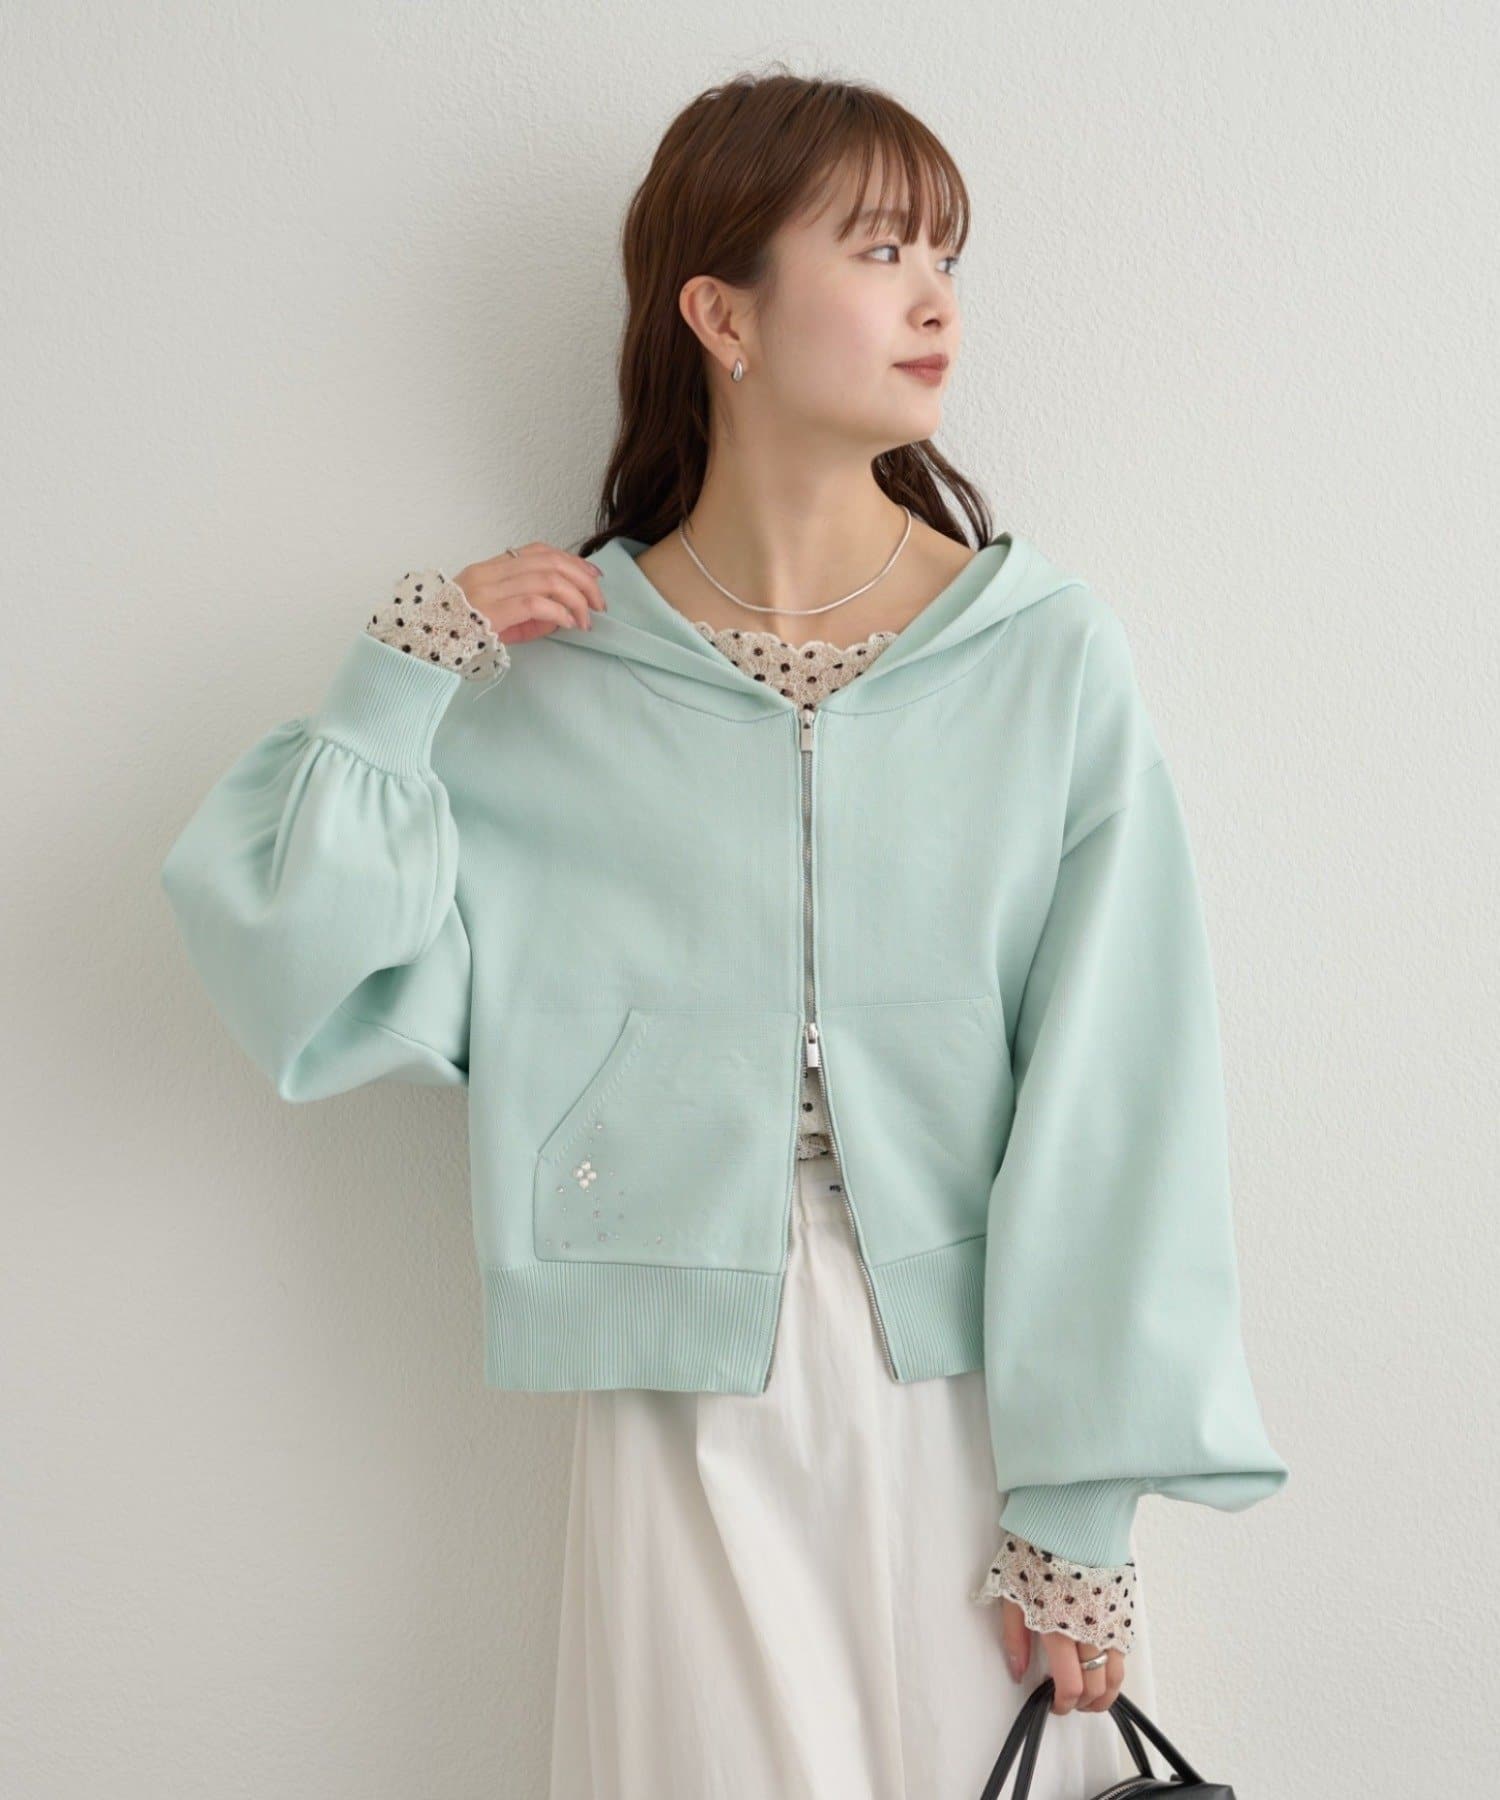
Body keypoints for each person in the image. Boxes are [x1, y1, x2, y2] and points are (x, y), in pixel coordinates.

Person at [160, 68, 1288, 1800]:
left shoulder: (1042, 655)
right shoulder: (553, 679)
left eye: (948, 257)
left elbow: (1123, 1091)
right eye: (881, 251)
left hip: (981, 1401)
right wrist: (396, 687)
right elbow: (306, 985)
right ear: (723, 315)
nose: (937, 301)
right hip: (674, 1407)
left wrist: (1081, 1507)